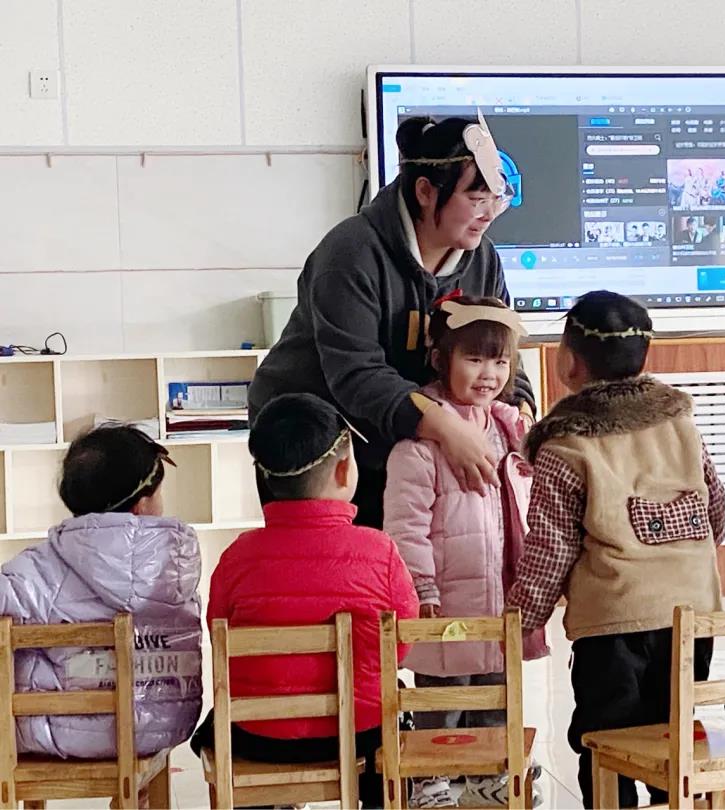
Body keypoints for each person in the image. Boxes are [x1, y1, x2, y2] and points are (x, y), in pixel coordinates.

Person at [248, 115, 534, 529]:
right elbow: (357, 374)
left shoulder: (482, 259)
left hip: (414, 432)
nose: (489, 214)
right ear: (425, 191)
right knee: (337, 556)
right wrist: (444, 426)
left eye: (497, 199)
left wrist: (521, 413)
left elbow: (502, 350)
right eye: (476, 199)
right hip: (318, 436)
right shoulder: (352, 253)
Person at [507, 291, 725, 808]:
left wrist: (519, 621)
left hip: (613, 627)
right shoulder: (680, 427)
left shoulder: (565, 446)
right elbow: (715, 511)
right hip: (693, 618)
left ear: (568, 362)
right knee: (672, 735)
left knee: (604, 742)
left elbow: (550, 550)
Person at [191, 393, 420, 808]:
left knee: (214, 729)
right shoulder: (379, 551)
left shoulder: (236, 557)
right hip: (359, 738)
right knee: (393, 715)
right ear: (345, 469)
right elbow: (400, 643)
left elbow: (219, 634)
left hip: (259, 737)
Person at [383, 295, 548, 808]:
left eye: (500, 361)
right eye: (474, 359)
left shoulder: (511, 433)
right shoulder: (420, 446)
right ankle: (430, 776)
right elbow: (405, 528)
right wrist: (422, 588)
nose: (488, 374)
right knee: (443, 691)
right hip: (445, 602)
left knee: (497, 688)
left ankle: (490, 772)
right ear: (441, 359)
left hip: (499, 597)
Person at [0, 424, 202, 759]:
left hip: (61, 729)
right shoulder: (177, 564)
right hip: (164, 725)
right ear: (142, 504)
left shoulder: (41, 568)